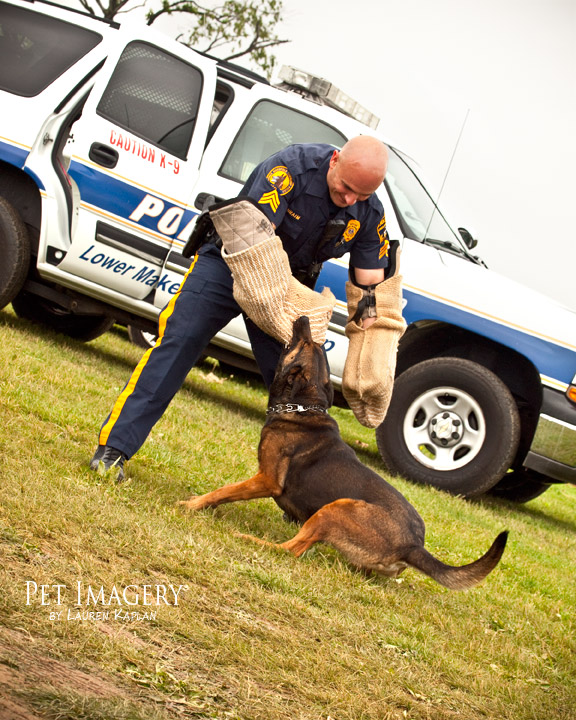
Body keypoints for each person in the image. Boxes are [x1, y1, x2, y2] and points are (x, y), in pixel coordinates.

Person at [91, 136, 392, 481]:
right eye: (345, 189)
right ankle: (113, 449)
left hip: (288, 288)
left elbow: (371, 281)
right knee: (178, 343)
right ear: (335, 160)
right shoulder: (290, 169)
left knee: (302, 388)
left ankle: (303, 489)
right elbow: (255, 238)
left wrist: (370, 339)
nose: (351, 199)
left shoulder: (370, 212)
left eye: (361, 195)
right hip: (232, 262)